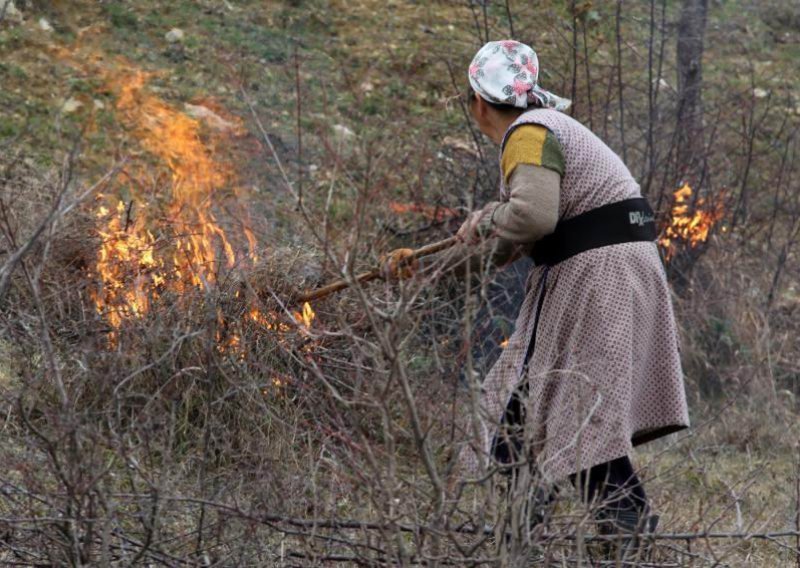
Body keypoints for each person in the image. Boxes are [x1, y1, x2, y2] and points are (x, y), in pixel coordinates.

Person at [384, 40, 689, 556]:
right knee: (555, 411)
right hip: (613, 271)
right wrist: (431, 270)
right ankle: (540, 538)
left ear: (478, 101)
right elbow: (517, 237)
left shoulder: (528, 133)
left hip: (597, 275)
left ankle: (574, 535)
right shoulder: (547, 130)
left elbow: (530, 218)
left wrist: (485, 220)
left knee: (540, 412)